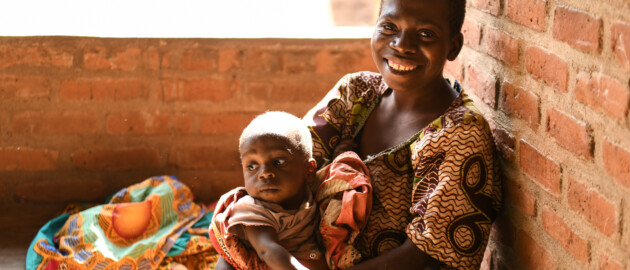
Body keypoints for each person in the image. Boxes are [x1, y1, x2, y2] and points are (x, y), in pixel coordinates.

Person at [303, 0, 502, 269]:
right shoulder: (355, 92)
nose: (402, 44)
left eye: (426, 34)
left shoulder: (459, 133)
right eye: (389, 27)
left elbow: (426, 257)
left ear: (453, 46)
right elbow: (287, 163)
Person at [210, 111, 329, 270]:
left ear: (309, 170)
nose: (264, 173)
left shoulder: (314, 190)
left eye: (278, 162)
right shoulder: (251, 209)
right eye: (252, 166)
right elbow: (268, 251)